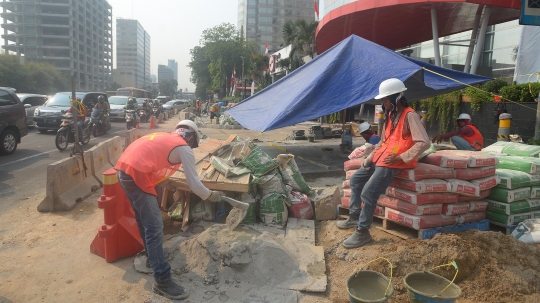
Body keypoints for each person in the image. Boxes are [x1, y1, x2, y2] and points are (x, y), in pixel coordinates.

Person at [115, 120, 221, 300]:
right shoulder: (183, 147)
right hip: (136, 175)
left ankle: (151, 259)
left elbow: (151, 158)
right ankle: (162, 281)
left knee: (145, 221)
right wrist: (210, 195)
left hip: (123, 169)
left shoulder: (166, 137)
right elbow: (194, 184)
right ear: (192, 138)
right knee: (155, 228)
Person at [338, 78, 430, 248]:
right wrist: (370, 157)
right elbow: (383, 141)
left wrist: (401, 157)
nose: (383, 102)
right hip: (381, 158)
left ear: (395, 98)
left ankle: (362, 232)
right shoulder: (390, 115)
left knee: (369, 192)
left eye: (385, 99)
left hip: (393, 163)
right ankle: (354, 217)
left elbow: (424, 142)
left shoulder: (410, 115)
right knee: (356, 180)